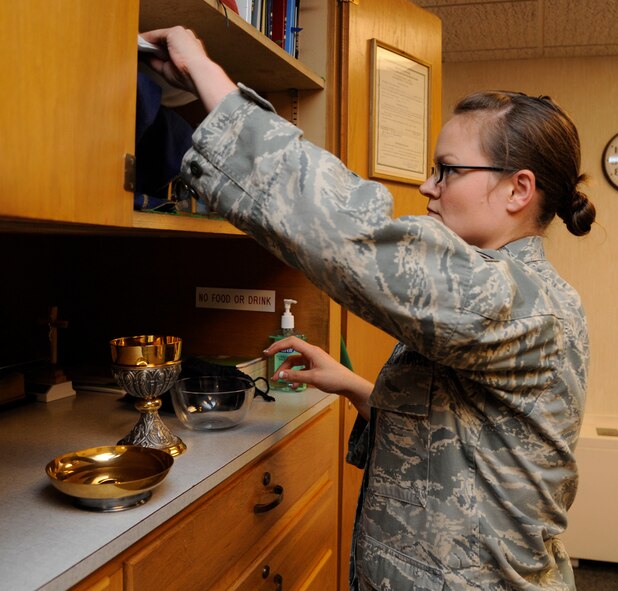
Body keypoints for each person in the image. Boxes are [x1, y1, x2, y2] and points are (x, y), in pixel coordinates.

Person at [141, 26, 596, 591]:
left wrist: (208, 77)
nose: (429, 187)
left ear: (517, 189)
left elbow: (355, 237)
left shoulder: (513, 298)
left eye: (447, 170)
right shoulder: (501, 290)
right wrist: (358, 387)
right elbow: (468, 442)